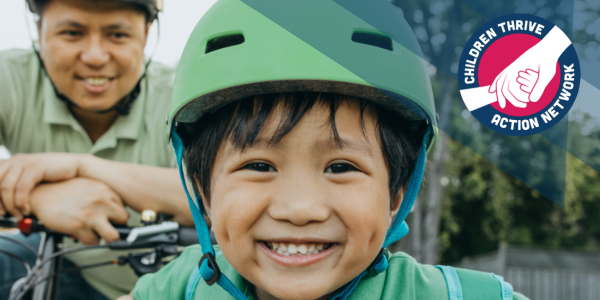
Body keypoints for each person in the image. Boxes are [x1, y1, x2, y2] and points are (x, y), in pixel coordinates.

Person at [123, 0, 530, 299]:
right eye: (260, 164)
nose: (300, 210)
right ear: (202, 190)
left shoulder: (461, 296)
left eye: (340, 167)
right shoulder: (183, 286)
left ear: (398, 193)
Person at [0, 0, 192, 299]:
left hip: (181, 286)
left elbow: (221, 197)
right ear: (39, 30)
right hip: (67, 270)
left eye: (117, 35)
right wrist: (38, 196)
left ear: (146, 33)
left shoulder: (186, 94)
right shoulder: (10, 77)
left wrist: (85, 166)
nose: (94, 56)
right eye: (72, 33)